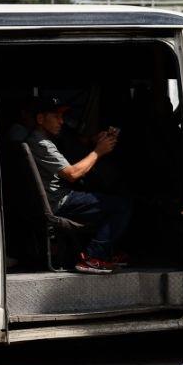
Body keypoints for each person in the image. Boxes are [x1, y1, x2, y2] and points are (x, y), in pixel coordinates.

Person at [28, 97, 133, 274]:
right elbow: (73, 174)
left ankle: (106, 250)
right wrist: (98, 152)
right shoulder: (41, 143)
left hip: (58, 197)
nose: (62, 121)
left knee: (106, 195)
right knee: (122, 206)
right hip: (60, 202)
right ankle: (94, 256)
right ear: (40, 119)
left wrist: (94, 141)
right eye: (56, 116)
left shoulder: (43, 138)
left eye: (62, 116)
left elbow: (74, 147)